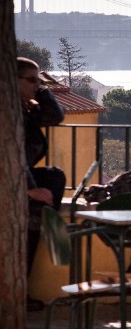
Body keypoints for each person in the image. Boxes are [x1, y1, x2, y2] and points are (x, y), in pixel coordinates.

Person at [20, 57, 65, 311]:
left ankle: (43, 224)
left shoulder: (26, 108)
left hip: (21, 177)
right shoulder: (9, 112)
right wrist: (29, 188)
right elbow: (12, 156)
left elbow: (54, 116)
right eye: (31, 80)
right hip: (12, 180)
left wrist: (44, 88)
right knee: (25, 233)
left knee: (54, 176)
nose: (36, 85)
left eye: (38, 80)